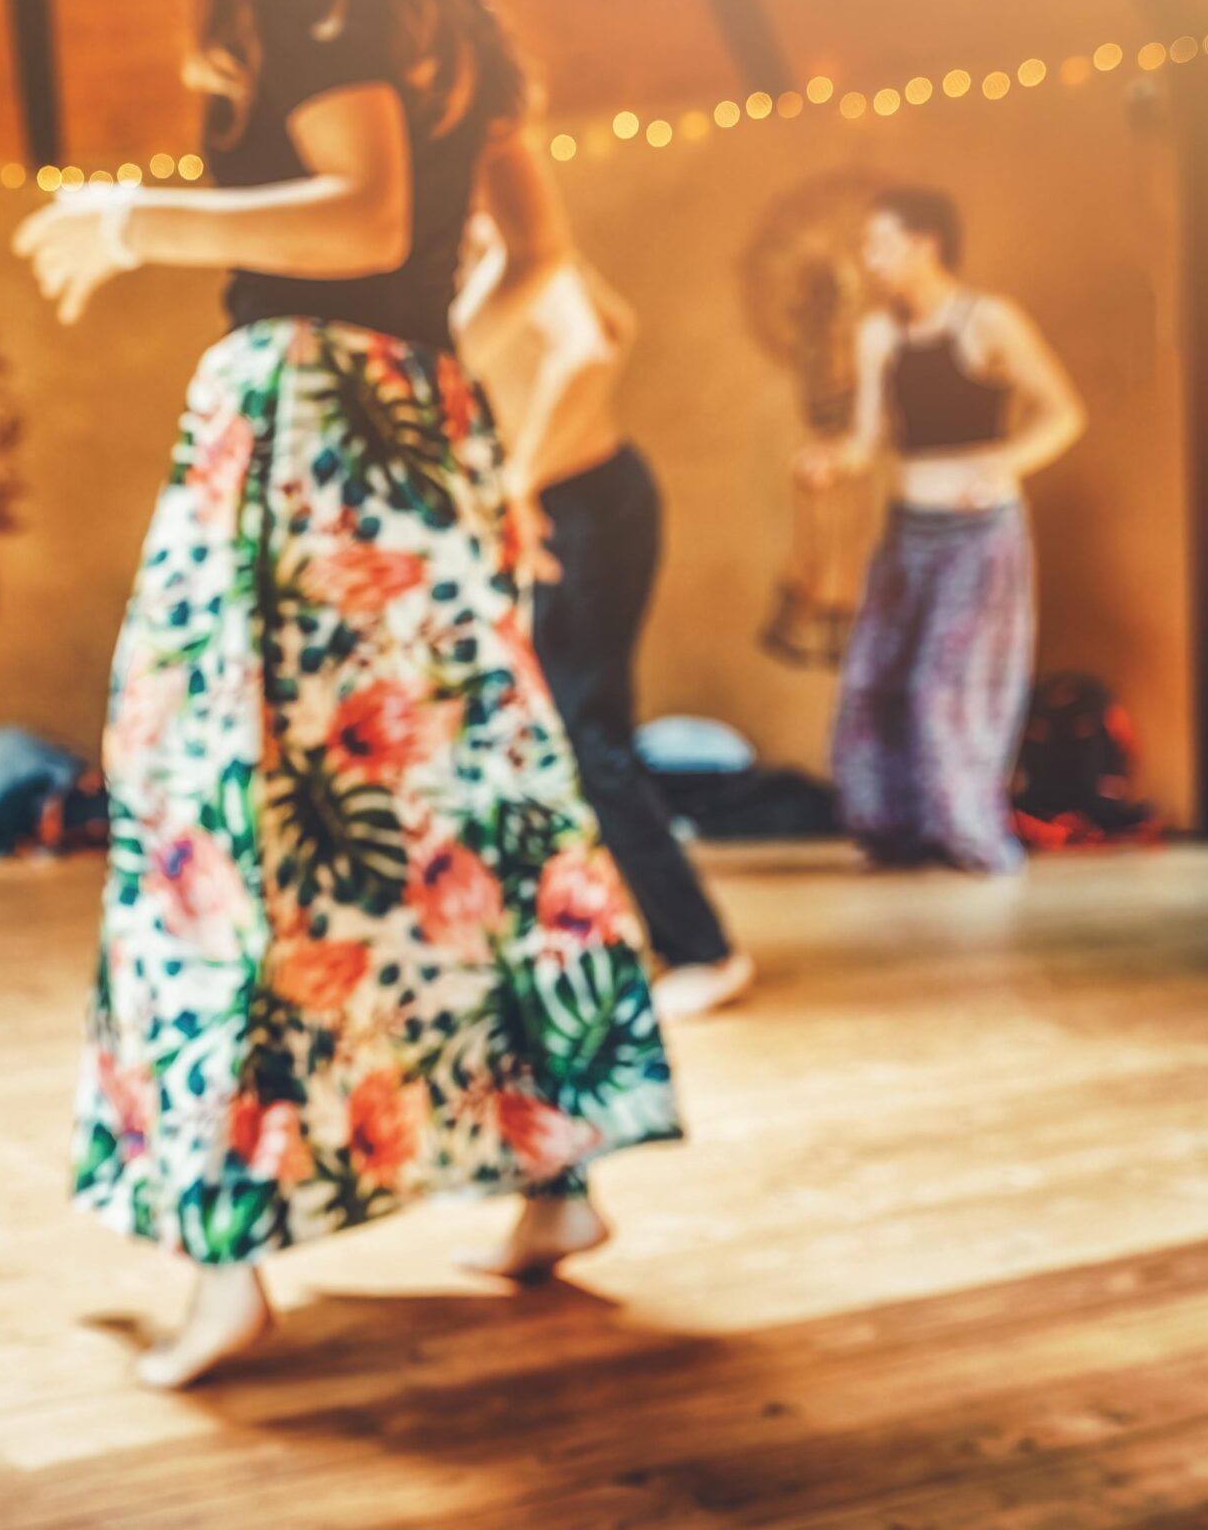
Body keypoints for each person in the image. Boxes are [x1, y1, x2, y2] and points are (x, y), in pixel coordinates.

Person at [15, 0, 681, 1389]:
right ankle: (553, 1183)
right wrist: (474, 441)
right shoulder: (445, 8)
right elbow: (534, 259)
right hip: (419, 429)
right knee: (463, 817)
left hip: (301, 434)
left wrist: (138, 220)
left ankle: (225, 1260)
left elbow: (364, 207)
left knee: (220, 819)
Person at [455, 223, 755, 1018]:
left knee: (586, 737)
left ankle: (703, 950)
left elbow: (587, 349)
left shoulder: (497, 245)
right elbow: (619, 329)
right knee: (568, 731)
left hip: (581, 508)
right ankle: (597, 940)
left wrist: (521, 477)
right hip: (593, 500)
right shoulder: (516, 250)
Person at [800, 187, 1086, 874]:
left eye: (880, 245)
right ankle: (893, 830)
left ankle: (967, 835)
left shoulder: (988, 321)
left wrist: (1002, 467)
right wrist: (833, 460)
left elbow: (1063, 413)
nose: (868, 261)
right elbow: (869, 439)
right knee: (876, 680)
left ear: (925, 246)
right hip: (907, 532)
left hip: (979, 534)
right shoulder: (879, 334)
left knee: (946, 687)